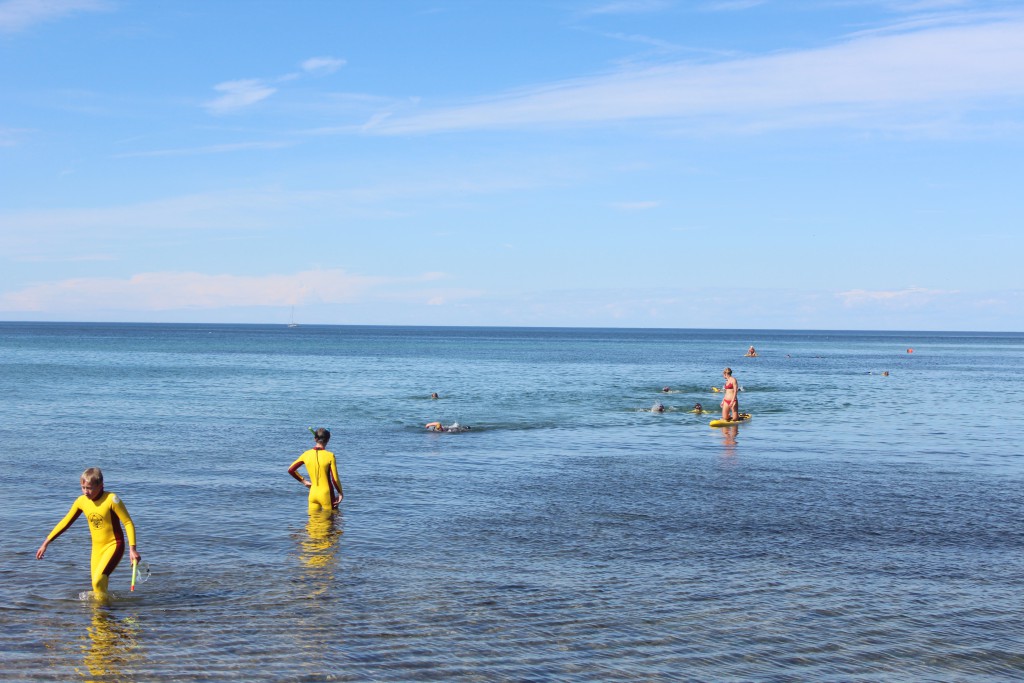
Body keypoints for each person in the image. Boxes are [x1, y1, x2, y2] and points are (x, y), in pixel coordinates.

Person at [36, 467, 140, 594]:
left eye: (89, 488)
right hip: (97, 548)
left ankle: (103, 611)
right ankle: (102, 612)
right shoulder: (82, 501)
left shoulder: (111, 499)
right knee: (97, 586)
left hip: (114, 545)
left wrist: (132, 549)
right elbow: (65, 522)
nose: (85, 492)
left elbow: (128, 523)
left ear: (101, 485)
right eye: (83, 487)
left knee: (97, 581)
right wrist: (46, 543)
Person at [288, 427, 343, 512]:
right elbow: (335, 479)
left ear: (315, 439)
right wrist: (340, 493)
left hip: (313, 493)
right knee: (331, 520)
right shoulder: (330, 456)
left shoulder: (306, 454)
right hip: (326, 494)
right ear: (328, 440)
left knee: (312, 523)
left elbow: (291, 470)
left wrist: (304, 482)